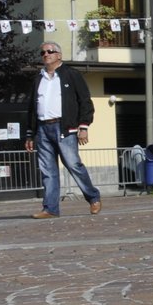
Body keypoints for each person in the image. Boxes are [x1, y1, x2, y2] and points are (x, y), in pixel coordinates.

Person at [25, 41, 102, 218]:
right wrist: (30, 134)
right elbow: (31, 107)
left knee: (73, 165)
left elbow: (85, 101)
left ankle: (93, 197)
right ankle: (50, 208)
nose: (46, 54)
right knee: (47, 171)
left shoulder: (71, 74)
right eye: (42, 52)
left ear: (59, 55)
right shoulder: (39, 79)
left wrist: (84, 126)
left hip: (65, 127)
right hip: (43, 128)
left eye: (50, 51)